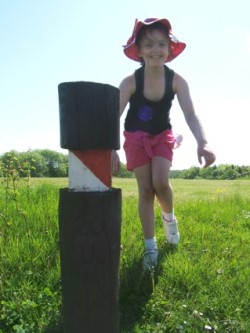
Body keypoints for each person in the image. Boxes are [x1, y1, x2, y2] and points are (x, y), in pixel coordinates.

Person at [112, 18, 216, 271]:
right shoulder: (130, 82)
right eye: (149, 45)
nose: (156, 49)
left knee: (160, 183)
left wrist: (203, 142)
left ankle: (169, 219)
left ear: (170, 49)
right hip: (135, 137)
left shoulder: (177, 80)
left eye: (161, 44)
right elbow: (111, 115)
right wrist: (111, 148)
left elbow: (191, 114)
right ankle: (150, 247)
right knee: (146, 190)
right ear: (139, 50)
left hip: (162, 135)